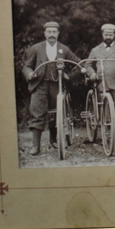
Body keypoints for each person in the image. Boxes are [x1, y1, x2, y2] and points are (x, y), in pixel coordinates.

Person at [22, 21, 93, 156]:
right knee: (37, 112)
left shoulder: (64, 49)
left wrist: (71, 76)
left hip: (58, 84)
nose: (52, 35)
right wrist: (30, 74)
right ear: (44, 33)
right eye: (49, 32)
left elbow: (78, 63)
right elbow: (26, 66)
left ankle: (54, 140)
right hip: (40, 84)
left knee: (57, 112)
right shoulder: (36, 48)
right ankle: (35, 146)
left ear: (58, 33)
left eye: (54, 32)